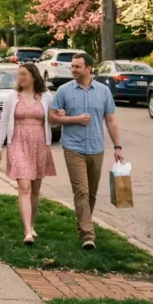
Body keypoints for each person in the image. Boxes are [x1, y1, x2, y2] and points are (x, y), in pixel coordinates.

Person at [49, 52, 124, 250]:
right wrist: (72, 119)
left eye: (77, 67)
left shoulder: (103, 91)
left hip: (96, 148)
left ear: (88, 68)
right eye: (72, 66)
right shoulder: (64, 91)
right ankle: (89, 235)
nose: (73, 69)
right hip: (73, 148)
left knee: (91, 193)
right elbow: (52, 118)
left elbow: (111, 120)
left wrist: (117, 146)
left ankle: (82, 226)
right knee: (81, 190)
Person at [0, 62, 56, 246]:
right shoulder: (12, 97)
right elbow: (4, 122)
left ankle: (31, 223)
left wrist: (59, 115)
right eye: (19, 74)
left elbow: (51, 123)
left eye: (23, 74)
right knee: (24, 187)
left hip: (39, 145)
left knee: (35, 190)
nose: (20, 78)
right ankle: (27, 231)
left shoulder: (46, 96)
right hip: (18, 144)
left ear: (33, 76)